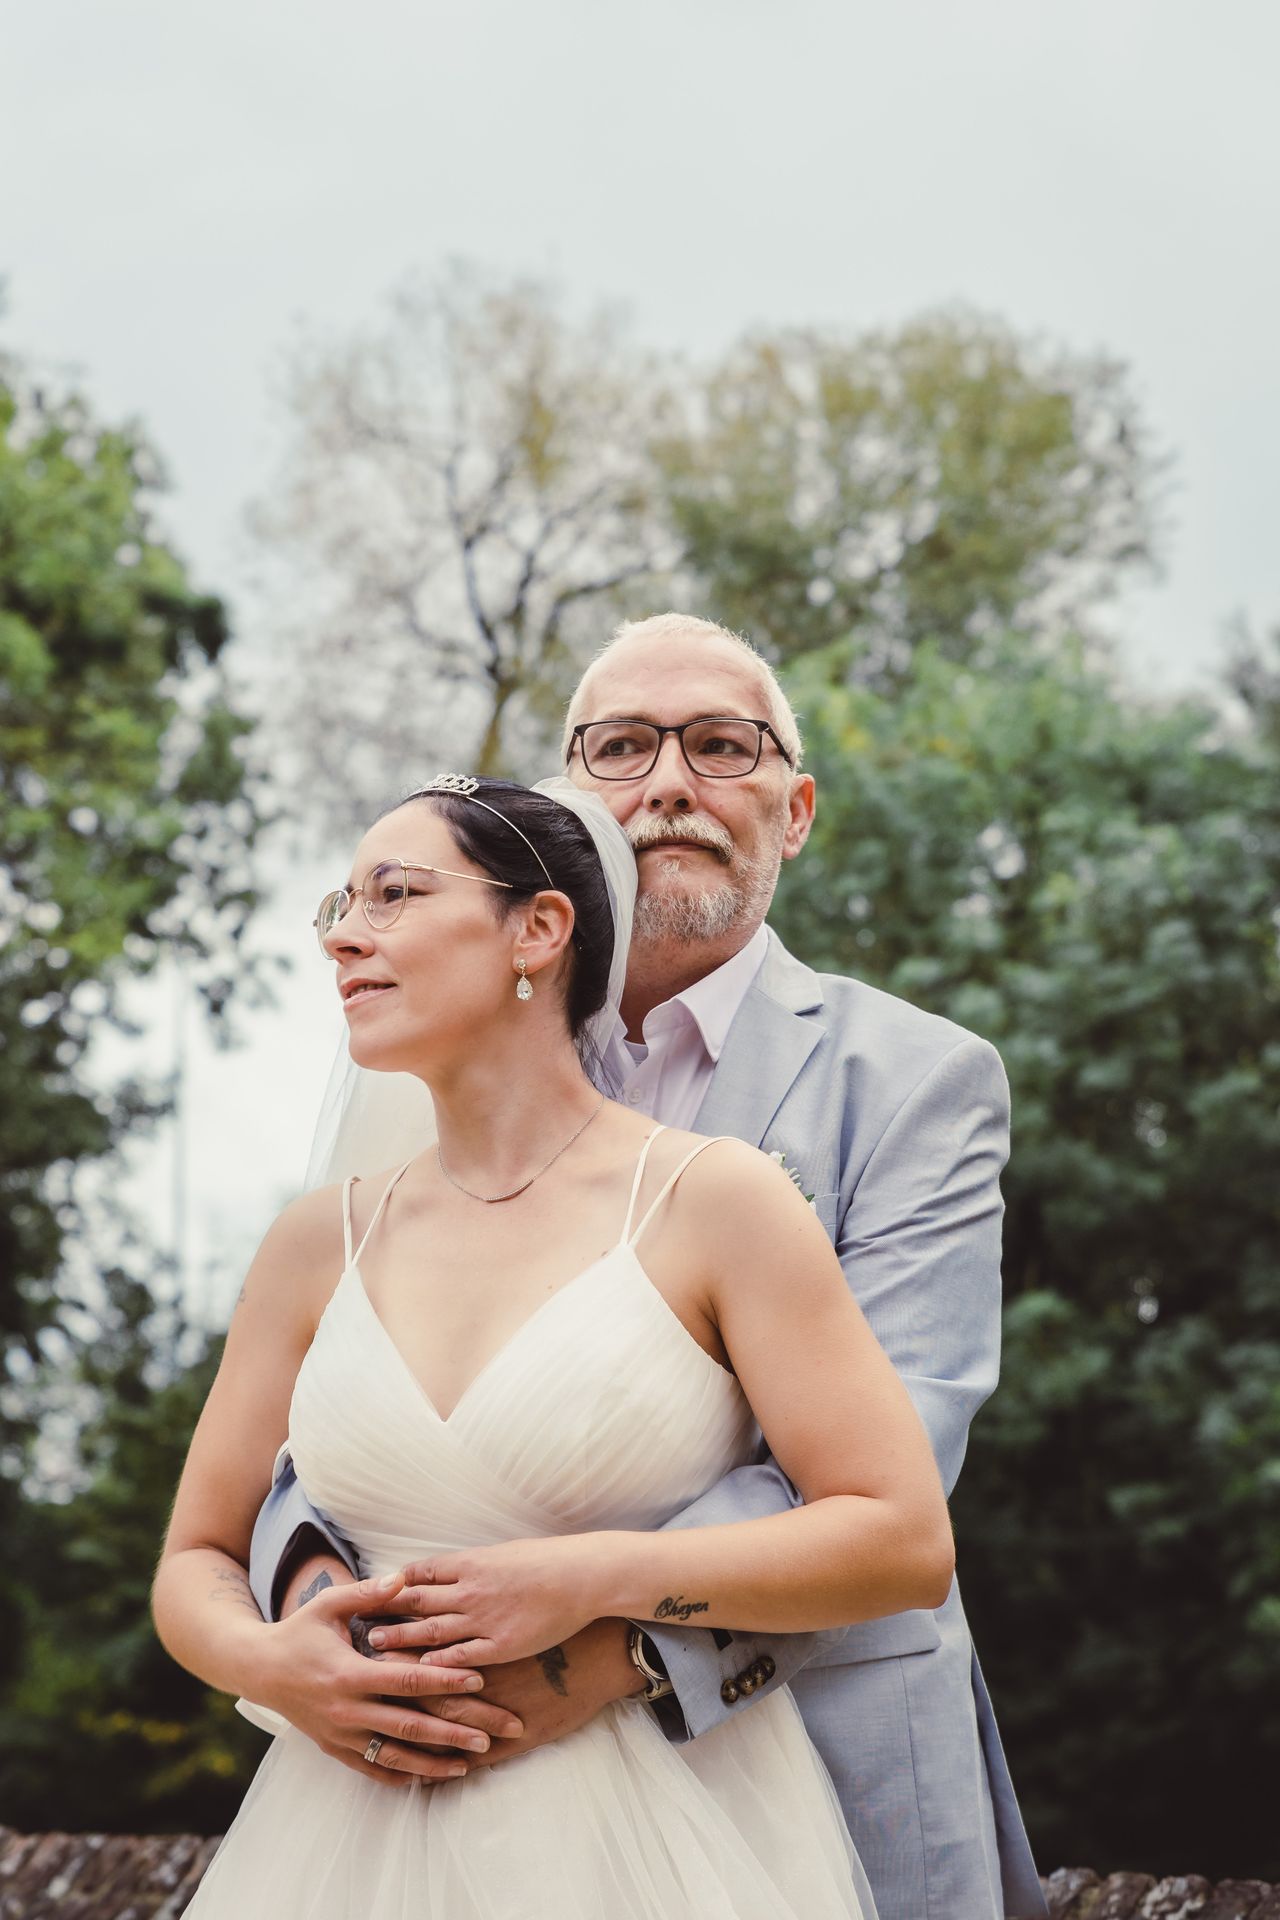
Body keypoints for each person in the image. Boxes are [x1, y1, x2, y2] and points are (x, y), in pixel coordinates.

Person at [248, 614, 1049, 1920]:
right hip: (439, 1785)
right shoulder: (432, 1075)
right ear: (565, 808)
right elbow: (331, 1404)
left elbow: (889, 1452)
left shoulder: (920, 1082)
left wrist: (580, 1659)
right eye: (621, 746)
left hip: (819, 1762)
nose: (669, 781)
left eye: (723, 746)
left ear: (794, 813)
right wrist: (328, 1599)